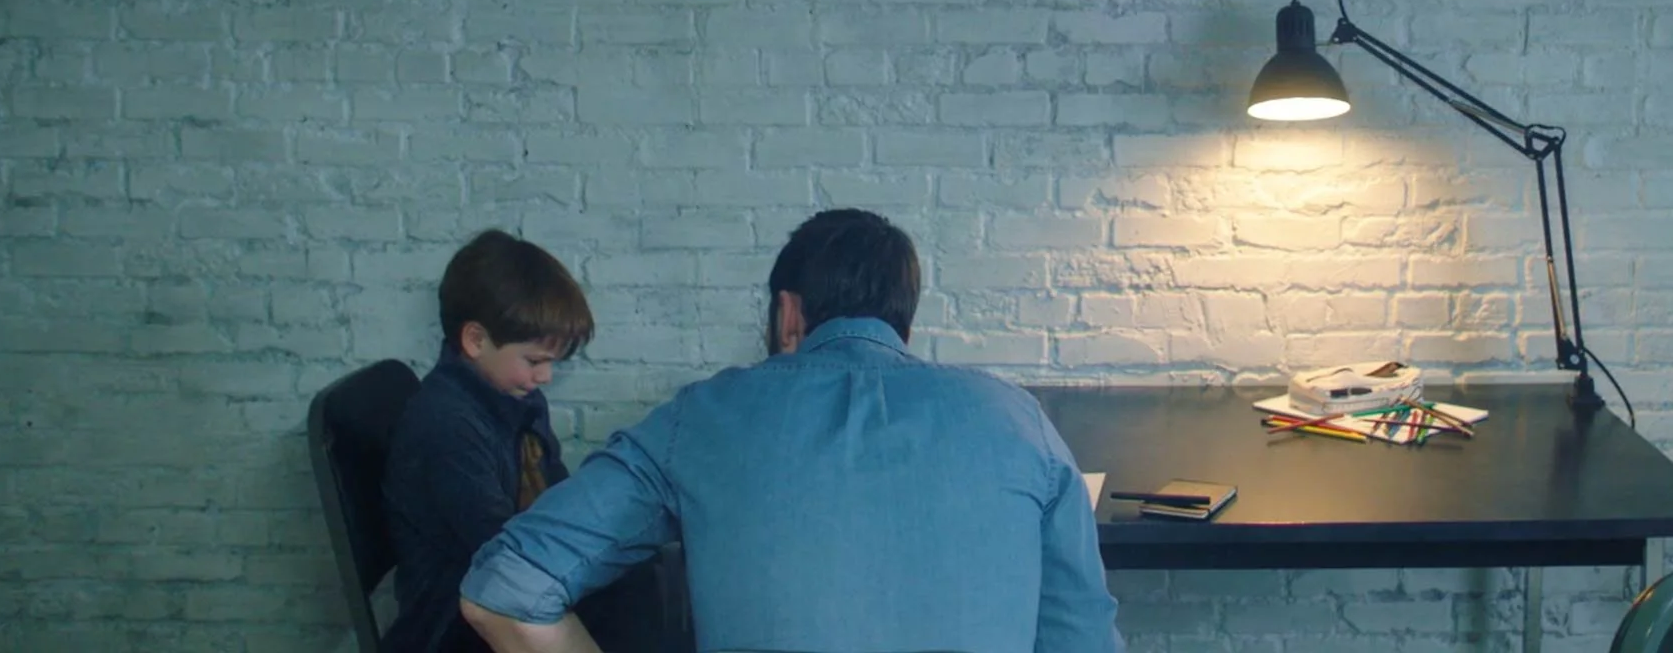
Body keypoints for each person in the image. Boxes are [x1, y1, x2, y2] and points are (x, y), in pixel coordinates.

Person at [459, 208, 1123, 653]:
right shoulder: (1019, 422)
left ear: (788, 316)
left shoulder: (700, 419)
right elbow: (1082, 640)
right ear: (906, 329)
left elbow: (505, 590)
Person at [383, 230, 655, 653]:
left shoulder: (518, 398)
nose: (544, 377)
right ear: (475, 340)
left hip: (504, 586)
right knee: (643, 601)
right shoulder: (444, 427)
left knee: (650, 576)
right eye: (534, 361)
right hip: (454, 625)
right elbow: (500, 551)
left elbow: (557, 497)